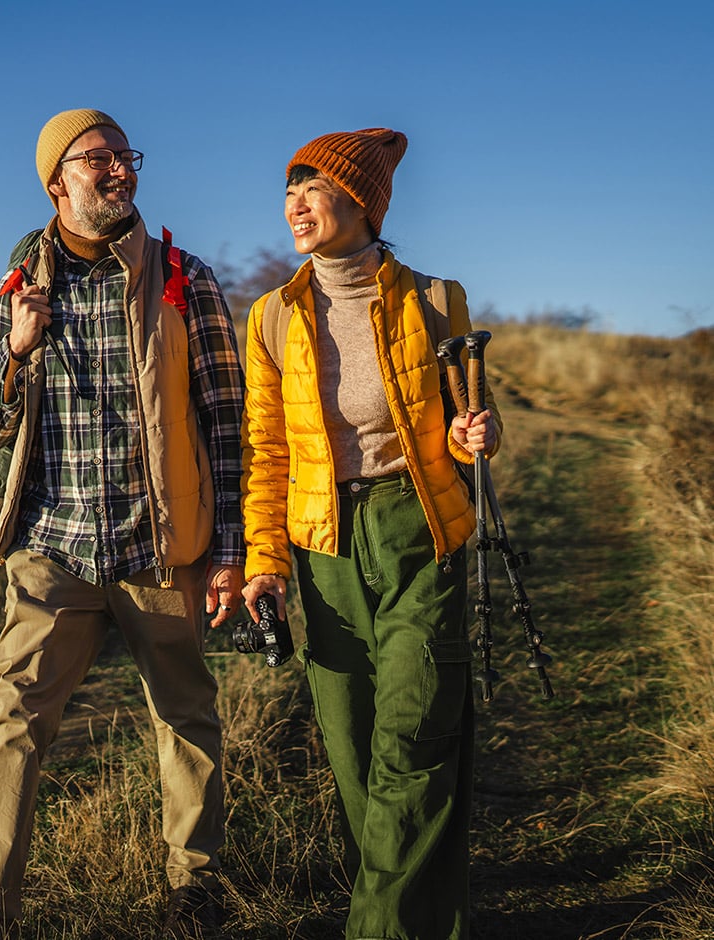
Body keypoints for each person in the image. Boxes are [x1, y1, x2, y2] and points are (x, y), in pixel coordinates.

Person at [0, 108, 245, 940]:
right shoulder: (19, 289)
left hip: (160, 547)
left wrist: (228, 548)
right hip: (53, 552)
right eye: (98, 161)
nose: (120, 171)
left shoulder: (185, 277)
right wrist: (15, 350)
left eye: (127, 156)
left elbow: (227, 422)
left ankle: (195, 890)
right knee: (13, 725)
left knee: (186, 719)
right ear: (57, 184)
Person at [240, 128, 501, 939]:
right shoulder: (271, 318)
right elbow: (265, 451)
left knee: (415, 738)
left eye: (313, 189)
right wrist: (264, 564)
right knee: (354, 754)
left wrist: (476, 437)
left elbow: (460, 422)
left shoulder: (434, 298)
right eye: (290, 191)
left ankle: (378, 929)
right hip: (323, 547)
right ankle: (423, 921)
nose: (296, 205)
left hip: (420, 526)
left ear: (361, 203)